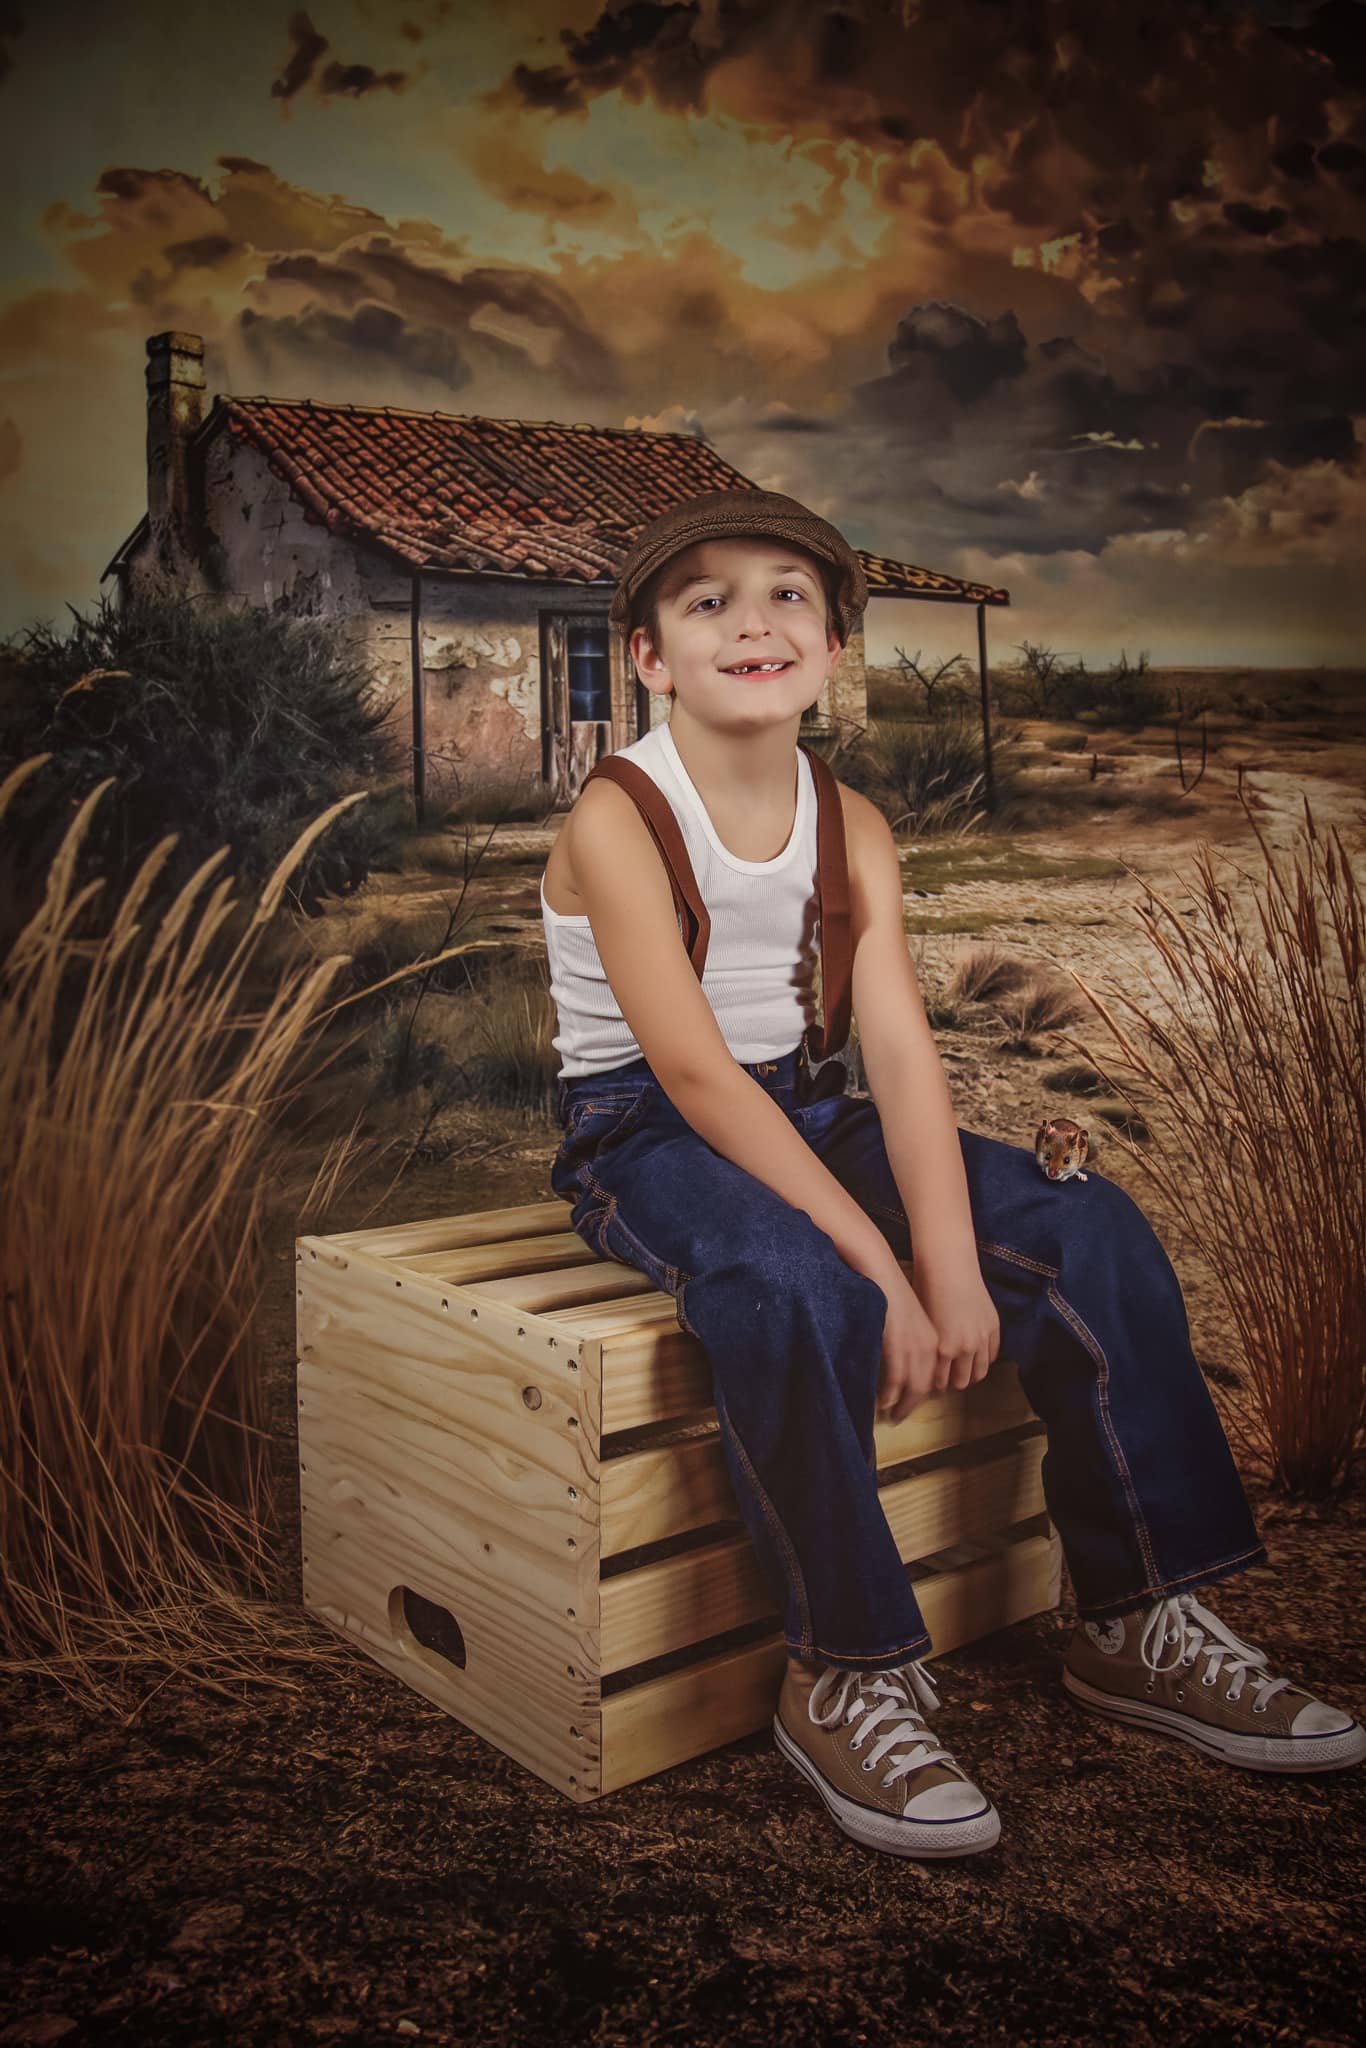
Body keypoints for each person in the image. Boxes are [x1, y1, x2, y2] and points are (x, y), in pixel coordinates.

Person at [539, 485, 1365, 1860]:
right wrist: (891, 1277)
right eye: (707, 602)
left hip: (808, 1107)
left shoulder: (849, 821)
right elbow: (690, 1079)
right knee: (789, 1285)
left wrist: (946, 1252)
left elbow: (901, 1053)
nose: (753, 621)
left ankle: (1135, 1615)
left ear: (836, 642)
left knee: (1082, 1225)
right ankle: (843, 1668)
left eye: (788, 595)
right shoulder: (620, 817)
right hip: (647, 1130)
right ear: (646, 656)